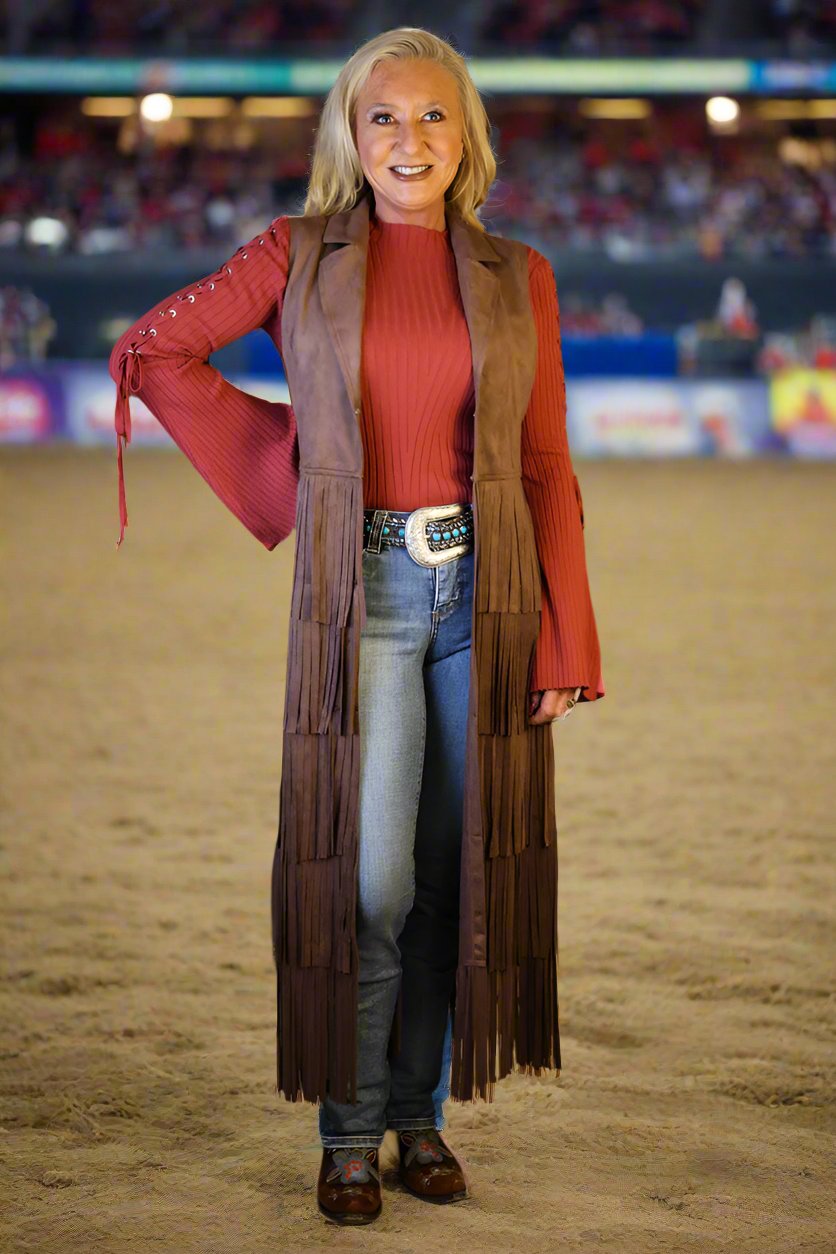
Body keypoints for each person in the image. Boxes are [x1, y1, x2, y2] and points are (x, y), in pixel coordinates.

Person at [109, 26, 604, 1228]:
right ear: (349, 132)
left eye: (433, 117)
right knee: (374, 884)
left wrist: (566, 639)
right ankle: (346, 1134)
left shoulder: (513, 273)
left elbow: (542, 464)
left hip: (483, 597)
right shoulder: (295, 255)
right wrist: (296, 464)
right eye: (383, 117)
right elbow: (154, 348)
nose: (408, 139)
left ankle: (416, 1120)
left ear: (464, 137)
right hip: (366, 596)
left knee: (451, 880)